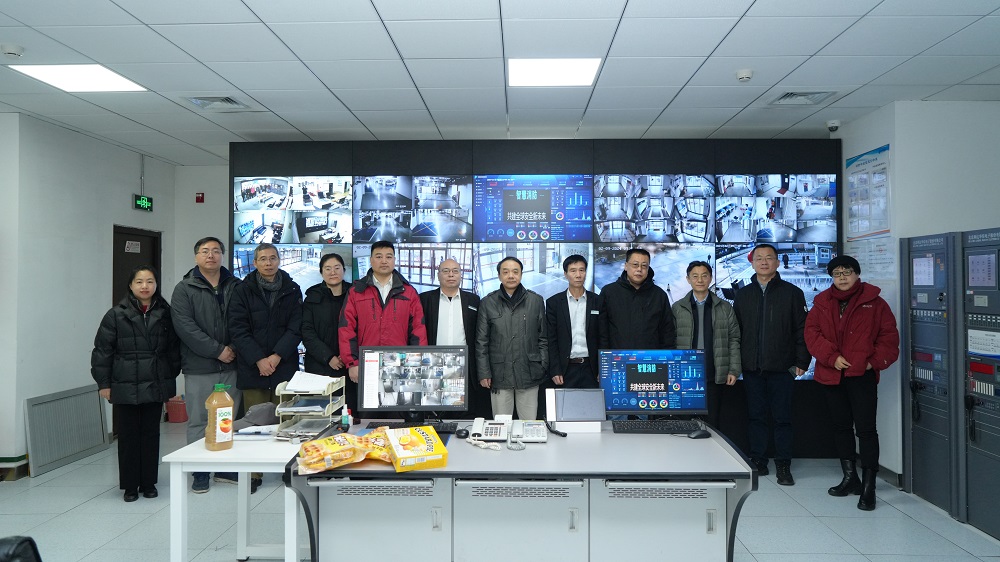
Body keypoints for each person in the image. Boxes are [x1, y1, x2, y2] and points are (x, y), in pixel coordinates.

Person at [805, 255, 899, 511]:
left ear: (857, 274)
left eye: (847, 272)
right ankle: (850, 478)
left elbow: (889, 339)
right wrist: (831, 358)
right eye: (837, 273)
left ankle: (869, 486)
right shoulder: (822, 302)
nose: (842, 277)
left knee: (866, 430)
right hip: (831, 374)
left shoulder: (875, 303)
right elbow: (812, 334)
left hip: (861, 376)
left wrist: (871, 363)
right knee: (841, 427)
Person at [91, 265, 180, 502]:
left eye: (150, 281)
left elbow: (174, 350)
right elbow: (102, 351)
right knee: (128, 437)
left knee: (151, 434)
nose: (144, 286)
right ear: (131, 285)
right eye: (139, 281)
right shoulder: (115, 315)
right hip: (124, 384)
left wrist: (168, 376)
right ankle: (130, 486)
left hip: (154, 382)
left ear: (156, 285)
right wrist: (104, 383)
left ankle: (149, 483)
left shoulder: (165, 313)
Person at [733, 244, 811, 486]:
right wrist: (737, 364)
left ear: (778, 262)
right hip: (752, 368)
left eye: (769, 258)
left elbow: (802, 329)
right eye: (759, 258)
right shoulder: (743, 295)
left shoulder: (792, 293)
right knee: (756, 417)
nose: (764, 262)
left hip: (782, 368)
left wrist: (801, 361)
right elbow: (736, 333)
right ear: (752, 263)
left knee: (782, 419)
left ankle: (783, 464)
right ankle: (758, 460)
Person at [171, 236, 242, 494]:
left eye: (215, 251)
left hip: (232, 365)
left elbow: (243, 321)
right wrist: (218, 350)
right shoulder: (184, 288)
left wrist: (232, 348)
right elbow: (185, 327)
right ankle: (199, 471)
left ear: (222, 255)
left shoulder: (236, 286)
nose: (210, 255)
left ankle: (224, 468)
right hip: (199, 366)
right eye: (204, 251)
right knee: (199, 421)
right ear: (196, 256)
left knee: (228, 418)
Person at [228, 243, 302, 491]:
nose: (268, 263)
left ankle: (286, 467)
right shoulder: (242, 290)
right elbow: (238, 329)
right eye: (263, 259)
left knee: (286, 419)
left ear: (279, 260)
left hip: (284, 364)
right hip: (253, 366)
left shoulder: (292, 289)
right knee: (254, 421)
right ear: (255, 263)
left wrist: (277, 356)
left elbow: (296, 327)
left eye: (272, 258)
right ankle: (254, 473)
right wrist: (259, 359)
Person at [339, 241, 428, 388]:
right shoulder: (357, 291)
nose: (384, 261)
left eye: (389, 256)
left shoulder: (409, 292)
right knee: (368, 402)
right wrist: (352, 363)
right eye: (379, 256)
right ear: (371, 260)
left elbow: (418, 330)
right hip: (367, 363)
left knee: (397, 401)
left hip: (399, 363)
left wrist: (416, 361)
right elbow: (346, 328)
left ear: (394, 260)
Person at [672, 261, 741, 432]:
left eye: (704, 275)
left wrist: (733, 370)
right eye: (695, 276)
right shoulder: (678, 308)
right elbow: (670, 340)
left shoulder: (724, 307)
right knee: (685, 423)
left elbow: (734, 339)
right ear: (688, 279)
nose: (700, 280)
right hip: (685, 376)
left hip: (714, 373)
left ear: (710, 278)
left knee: (713, 423)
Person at [476, 256, 548, 419]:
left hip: (529, 373)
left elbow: (543, 338)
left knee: (529, 424)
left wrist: (542, 365)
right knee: (501, 425)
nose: (511, 276)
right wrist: (484, 372)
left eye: (515, 272)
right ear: (499, 275)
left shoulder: (536, 301)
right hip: (499, 375)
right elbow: (481, 342)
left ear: (521, 274)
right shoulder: (488, 302)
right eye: (506, 272)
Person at [419, 259, 487, 419]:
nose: (451, 275)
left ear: (460, 275)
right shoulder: (424, 299)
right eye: (446, 271)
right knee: (435, 412)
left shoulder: (473, 300)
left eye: (455, 271)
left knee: (463, 412)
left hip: (464, 367)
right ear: (438, 275)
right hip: (434, 366)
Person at [598, 247, 676, 350]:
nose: (639, 269)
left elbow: (667, 333)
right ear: (626, 266)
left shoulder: (659, 295)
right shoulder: (609, 292)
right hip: (617, 357)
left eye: (644, 266)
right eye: (635, 265)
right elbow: (601, 330)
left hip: (650, 358)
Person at [302, 253, 351, 411]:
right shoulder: (312, 297)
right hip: (319, 366)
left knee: (348, 412)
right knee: (323, 412)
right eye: (328, 269)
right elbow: (307, 332)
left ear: (344, 270)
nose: (333, 272)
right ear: (321, 272)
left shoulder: (354, 295)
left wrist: (347, 356)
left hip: (349, 365)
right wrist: (329, 357)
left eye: (337, 268)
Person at [546, 255, 600, 389]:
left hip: (592, 368)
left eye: (582, 270)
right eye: (573, 270)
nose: (578, 275)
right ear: (565, 274)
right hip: (565, 369)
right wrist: (555, 369)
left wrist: (603, 367)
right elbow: (551, 339)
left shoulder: (598, 301)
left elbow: (603, 336)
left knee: (593, 402)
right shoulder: (554, 303)